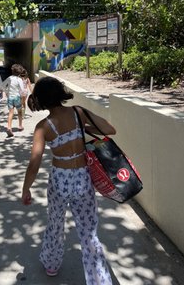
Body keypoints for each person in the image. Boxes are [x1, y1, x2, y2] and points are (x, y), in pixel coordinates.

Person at [21, 76, 116, 284]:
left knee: (55, 224)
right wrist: (83, 129)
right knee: (89, 232)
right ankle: (100, 279)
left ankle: (52, 264)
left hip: (59, 180)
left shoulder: (43, 127)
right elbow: (110, 130)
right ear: (60, 93)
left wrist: (26, 189)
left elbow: (34, 163)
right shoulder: (78, 112)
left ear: (42, 99)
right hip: (83, 177)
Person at [2, 63, 25, 137]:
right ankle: (20, 125)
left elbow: (2, 86)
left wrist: (6, 92)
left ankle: (9, 127)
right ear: (19, 72)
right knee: (19, 112)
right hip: (17, 97)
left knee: (10, 113)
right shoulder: (19, 79)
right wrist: (22, 98)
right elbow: (22, 90)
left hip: (10, 98)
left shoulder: (9, 78)